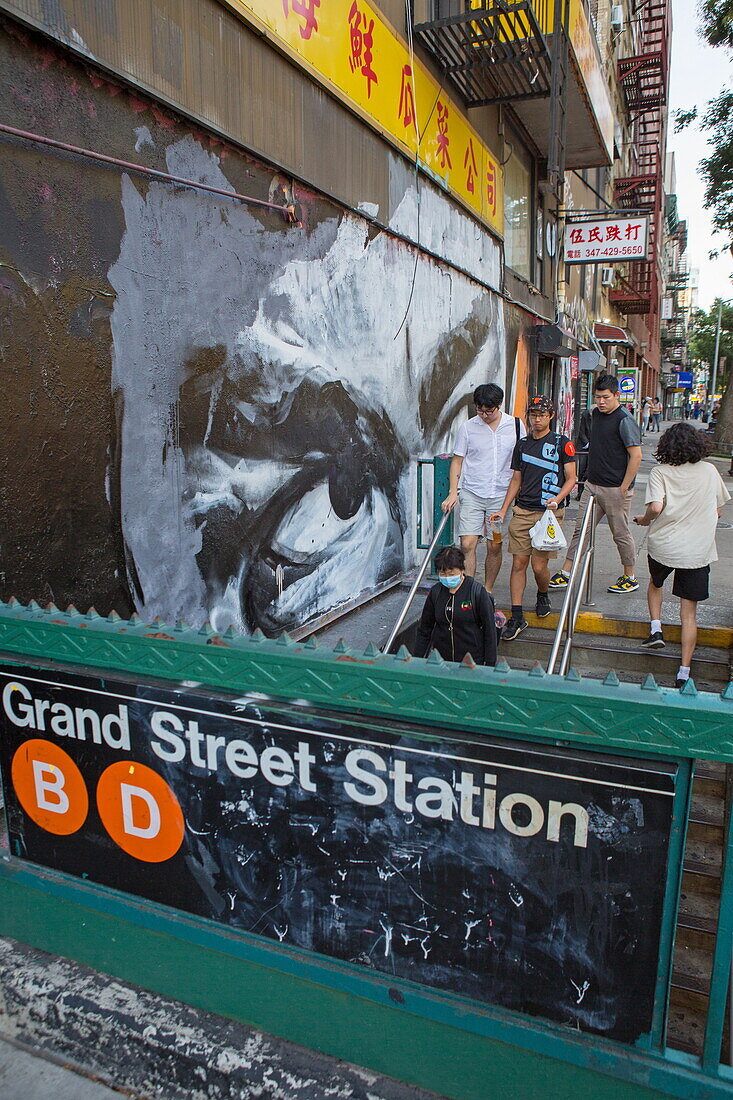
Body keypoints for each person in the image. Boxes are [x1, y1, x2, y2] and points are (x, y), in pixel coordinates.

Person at [634, 423, 730, 688]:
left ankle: (655, 628)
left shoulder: (660, 472)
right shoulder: (710, 471)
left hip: (665, 546)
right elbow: (719, 508)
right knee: (689, 614)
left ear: (667, 446)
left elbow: (655, 506)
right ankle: (683, 673)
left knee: (655, 584)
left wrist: (644, 520)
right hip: (697, 551)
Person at [490, 395, 577, 640]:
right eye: (533, 414)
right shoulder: (522, 444)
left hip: (549, 513)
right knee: (518, 563)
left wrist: (557, 499)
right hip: (523, 511)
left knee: (540, 566)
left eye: (541, 415)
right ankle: (517, 616)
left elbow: (572, 478)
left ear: (550, 416)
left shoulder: (562, 443)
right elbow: (516, 478)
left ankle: (542, 592)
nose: (536, 419)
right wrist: (504, 508)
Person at [550, 373, 642, 595]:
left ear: (617, 395)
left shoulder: (625, 420)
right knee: (581, 531)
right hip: (593, 485)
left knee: (620, 533)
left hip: (615, 489)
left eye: (606, 397)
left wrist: (624, 487)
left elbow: (636, 455)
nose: (601, 401)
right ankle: (566, 571)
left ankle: (629, 576)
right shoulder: (595, 415)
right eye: (598, 397)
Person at [441, 383, 526, 593]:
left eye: (489, 410)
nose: (485, 415)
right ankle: (469, 590)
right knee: (467, 544)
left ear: (499, 406)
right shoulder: (468, 427)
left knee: (494, 545)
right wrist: (453, 492)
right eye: (480, 410)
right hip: (473, 493)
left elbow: (522, 461)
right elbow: (457, 461)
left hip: (501, 497)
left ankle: (486, 590)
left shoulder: (515, 425)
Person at [413, 545, 498, 665]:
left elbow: (490, 631)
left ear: (462, 569)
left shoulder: (476, 592)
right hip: (441, 660)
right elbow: (425, 628)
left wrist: (490, 664)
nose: (447, 577)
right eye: (443, 573)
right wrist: (417, 659)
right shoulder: (436, 592)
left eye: (451, 573)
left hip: (472, 661)